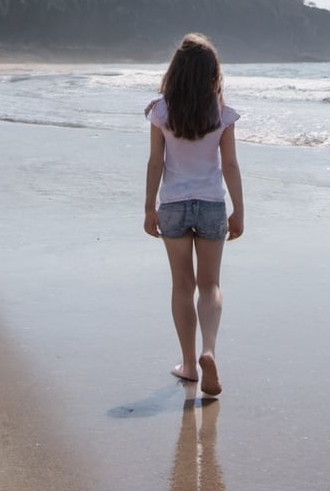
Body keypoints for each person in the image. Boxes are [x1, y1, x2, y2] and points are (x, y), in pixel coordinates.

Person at [144, 33, 244, 397]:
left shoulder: (160, 111)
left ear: (176, 71)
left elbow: (156, 162)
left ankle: (188, 365)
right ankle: (209, 351)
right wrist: (239, 211)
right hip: (212, 204)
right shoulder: (221, 113)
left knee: (182, 286)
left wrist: (148, 208)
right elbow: (230, 165)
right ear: (212, 73)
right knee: (210, 285)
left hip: (172, 203)